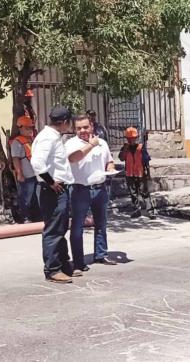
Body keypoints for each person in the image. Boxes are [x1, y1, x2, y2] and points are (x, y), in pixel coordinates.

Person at [30, 105, 77, 284]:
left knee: (61, 228)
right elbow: (37, 163)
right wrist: (51, 182)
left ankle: (64, 265)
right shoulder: (47, 138)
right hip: (52, 190)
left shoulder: (54, 137)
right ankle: (53, 269)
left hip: (59, 189)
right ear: (64, 122)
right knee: (53, 230)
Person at [65, 115, 117, 270]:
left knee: (101, 223)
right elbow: (73, 158)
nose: (83, 131)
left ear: (92, 126)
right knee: (77, 227)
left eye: (85, 127)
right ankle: (79, 262)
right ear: (75, 129)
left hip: (99, 188)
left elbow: (109, 160)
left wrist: (110, 168)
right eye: (79, 128)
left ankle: (101, 254)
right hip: (80, 189)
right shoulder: (71, 143)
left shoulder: (102, 143)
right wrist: (91, 145)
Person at [119, 127, 156, 219]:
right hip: (130, 174)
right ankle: (136, 210)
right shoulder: (125, 148)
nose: (131, 140)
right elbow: (122, 158)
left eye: (133, 138)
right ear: (127, 138)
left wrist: (148, 174)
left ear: (136, 138)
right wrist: (126, 148)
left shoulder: (141, 147)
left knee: (144, 193)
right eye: (129, 138)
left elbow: (146, 161)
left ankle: (150, 211)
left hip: (140, 174)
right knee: (133, 193)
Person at [10, 116, 37, 224]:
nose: (30, 130)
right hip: (27, 175)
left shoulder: (32, 140)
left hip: (36, 174)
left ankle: (36, 216)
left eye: (31, 127)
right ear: (20, 128)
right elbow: (15, 159)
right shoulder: (17, 142)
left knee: (35, 198)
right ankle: (25, 217)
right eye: (27, 128)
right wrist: (19, 173)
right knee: (26, 197)